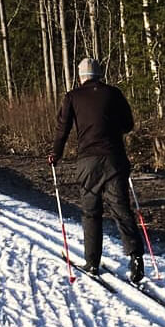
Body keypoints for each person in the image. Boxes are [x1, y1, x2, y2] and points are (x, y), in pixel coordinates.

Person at [50, 57, 144, 283]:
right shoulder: (114, 93)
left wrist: (56, 154)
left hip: (88, 162)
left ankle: (92, 262)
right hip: (114, 159)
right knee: (121, 208)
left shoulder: (72, 97)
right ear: (99, 75)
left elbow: (62, 128)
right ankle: (136, 257)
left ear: (81, 76)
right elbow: (128, 125)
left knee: (91, 212)